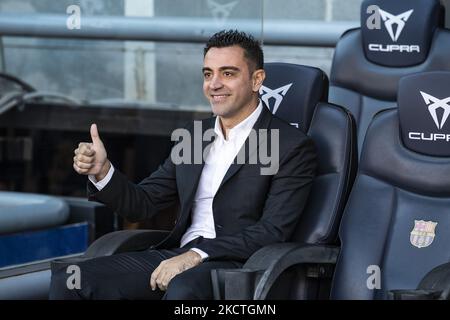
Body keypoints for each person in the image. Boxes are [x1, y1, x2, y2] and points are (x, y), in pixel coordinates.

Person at [49, 30, 317, 300]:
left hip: (239, 266)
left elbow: (272, 230)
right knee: (71, 280)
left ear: (257, 80)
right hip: (179, 255)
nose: (214, 84)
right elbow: (142, 203)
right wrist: (103, 172)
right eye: (208, 74)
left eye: (228, 73)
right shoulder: (195, 136)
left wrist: (197, 255)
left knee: (182, 289)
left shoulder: (290, 146)